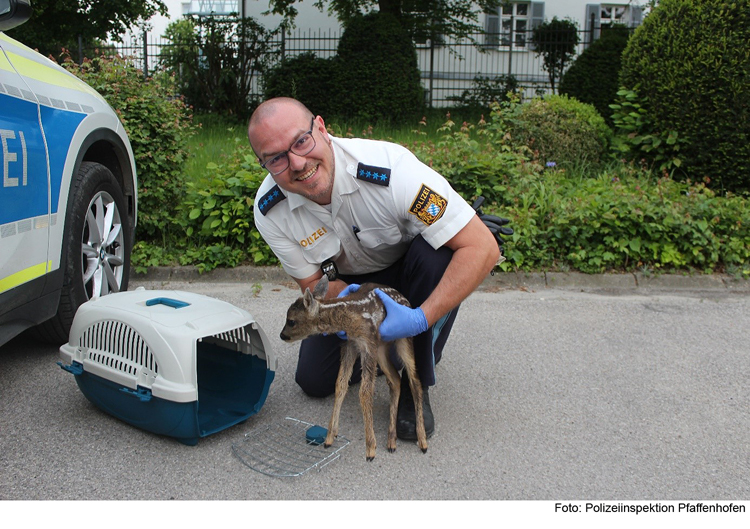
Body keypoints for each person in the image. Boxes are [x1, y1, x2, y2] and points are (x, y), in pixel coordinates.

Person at [247, 97, 508, 440]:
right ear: (262, 164)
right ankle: (395, 348)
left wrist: (419, 318)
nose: (297, 163)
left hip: (413, 270)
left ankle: (418, 377)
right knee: (313, 380)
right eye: (276, 159)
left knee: (440, 256)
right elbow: (314, 283)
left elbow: (482, 249)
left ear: (322, 129)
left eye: (301, 141)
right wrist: (345, 309)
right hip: (353, 284)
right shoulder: (270, 210)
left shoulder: (390, 170)